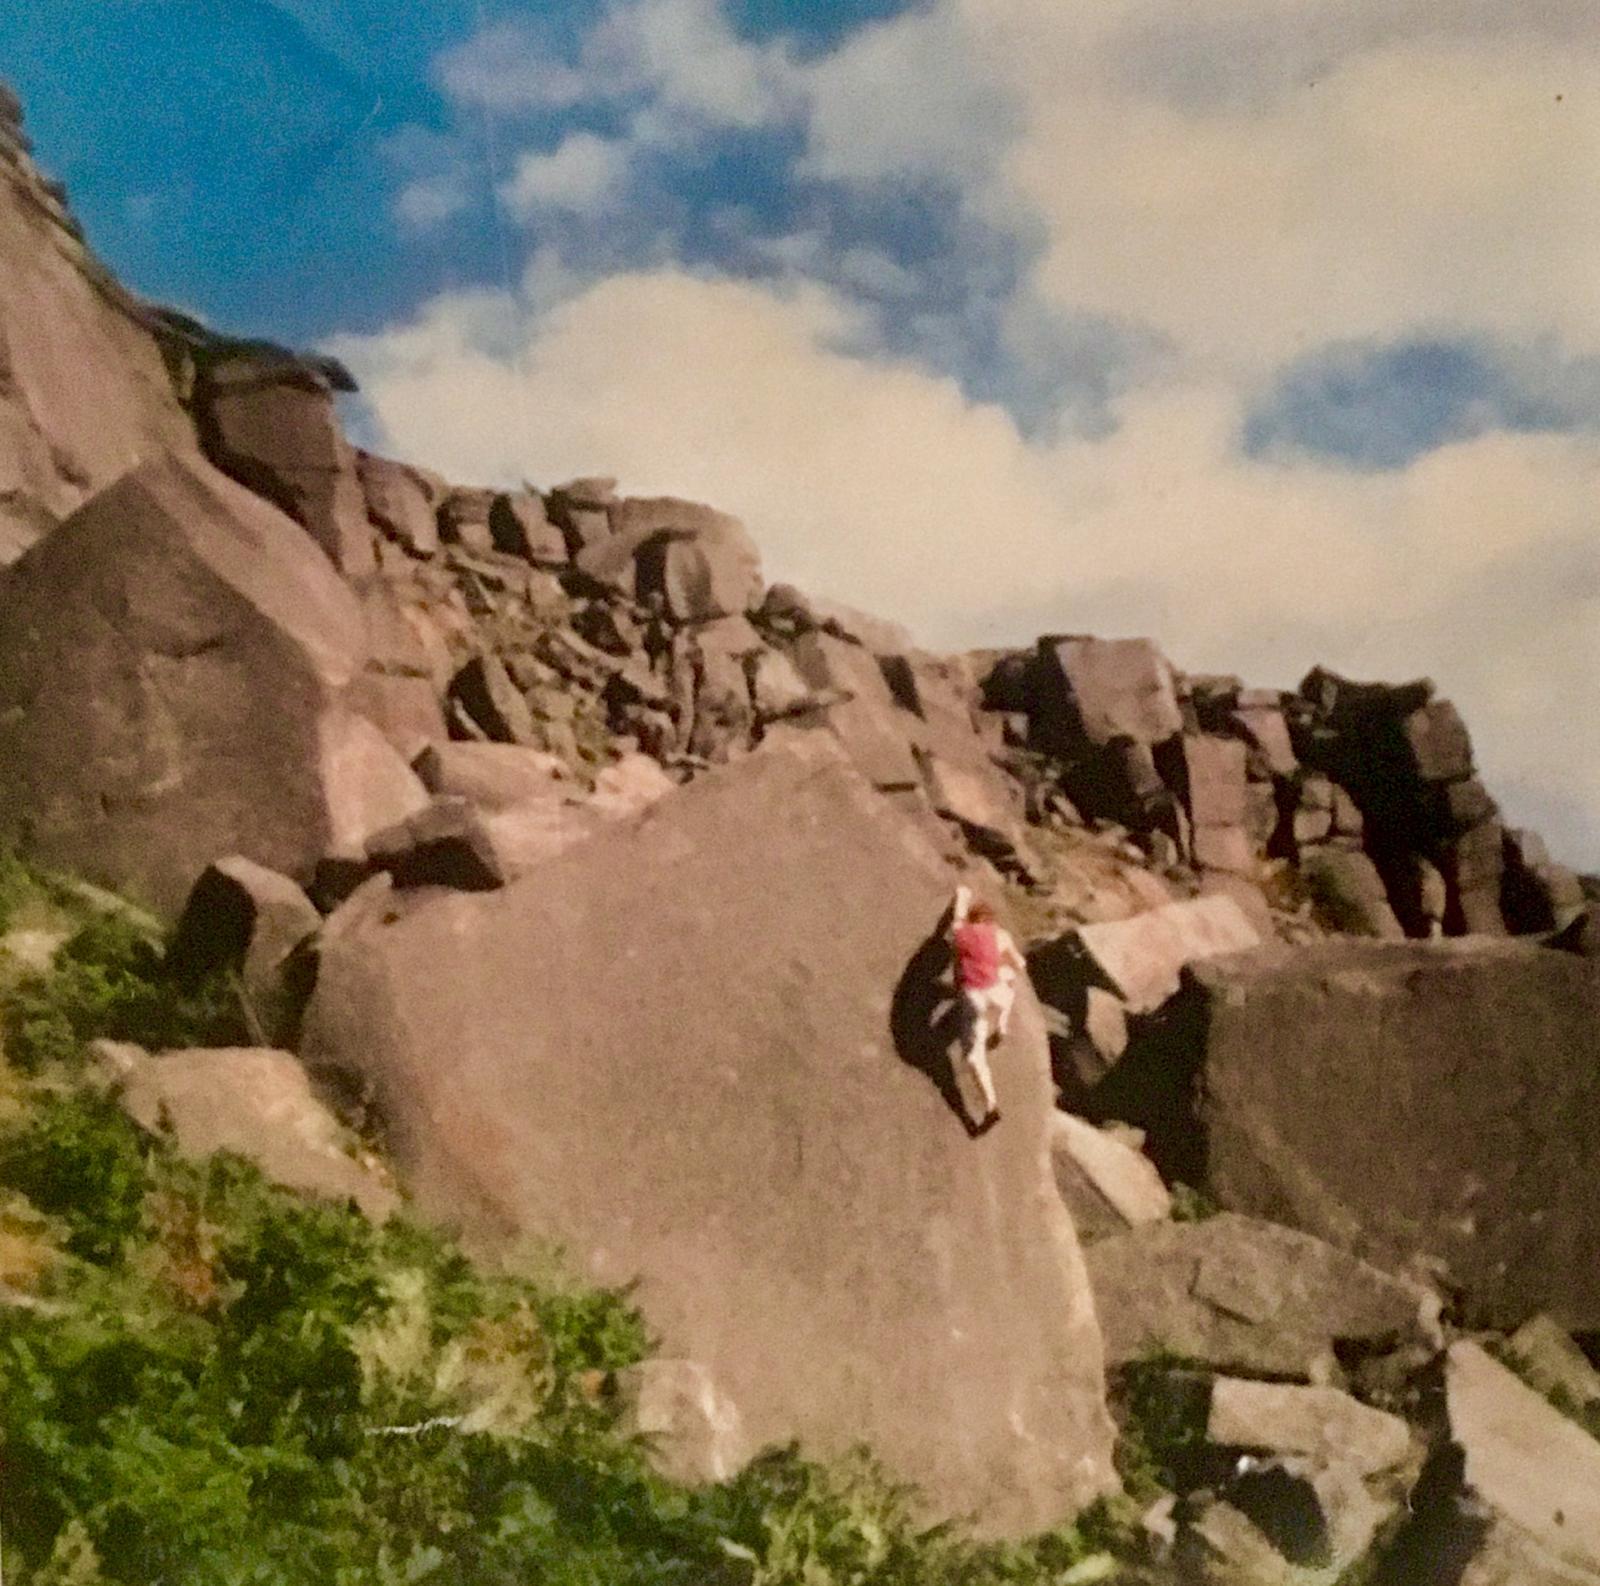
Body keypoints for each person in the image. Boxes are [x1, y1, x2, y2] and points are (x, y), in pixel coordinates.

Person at [950, 884, 1026, 1134]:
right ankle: (1002, 1025)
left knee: (974, 1057)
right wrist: (1008, 974)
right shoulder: (1001, 935)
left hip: (974, 998)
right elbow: (1021, 963)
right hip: (995, 991)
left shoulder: (965, 933)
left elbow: (957, 918)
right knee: (1007, 989)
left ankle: (991, 1106)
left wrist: (962, 894)